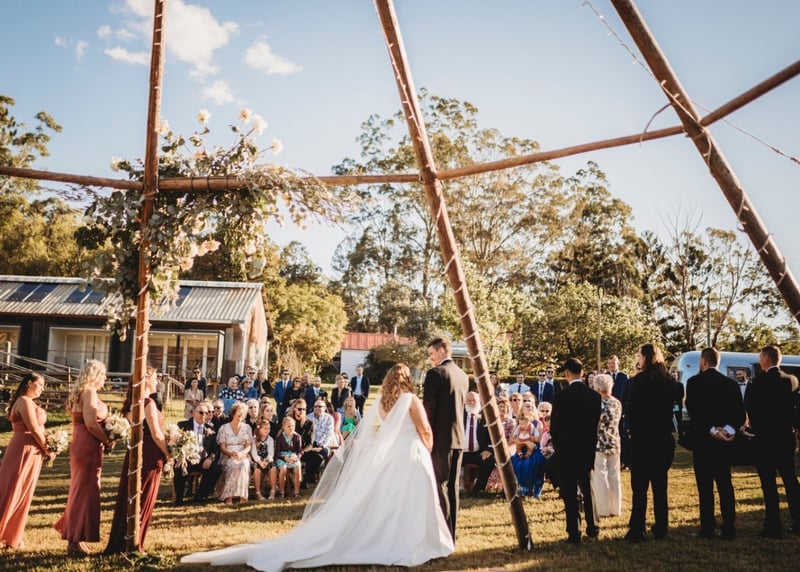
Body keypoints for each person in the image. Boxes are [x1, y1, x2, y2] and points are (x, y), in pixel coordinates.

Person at [181, 362, 454, 569]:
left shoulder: (382, 403)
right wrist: (426, 451)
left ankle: (393, 538)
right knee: (413, 499)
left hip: (392, 456)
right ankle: (413, 541)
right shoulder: (410, 399)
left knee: (393, 499)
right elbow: (425, 430)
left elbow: (381, 431)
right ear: (407, 380)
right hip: (412, 453)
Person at [105, 366, 170, 554]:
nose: (158, 381)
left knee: (132, 495)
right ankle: (134, 542)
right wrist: (168, 454)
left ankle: (122, 540)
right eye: (156, 377)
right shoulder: (147, 403)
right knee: (144, 495)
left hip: (136, 450)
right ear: (147, 379)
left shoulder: (134, 401)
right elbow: (156, 434)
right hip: (149, 452)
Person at [54, 359, 114, 556]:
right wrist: (107, 439)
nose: (105, 378)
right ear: (95, 374)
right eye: (103, 374)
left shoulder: (81, 392)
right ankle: (73, 540)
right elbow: (90, 423)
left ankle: (77, 537)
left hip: (83, 444)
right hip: (87, 446)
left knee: (82, 490)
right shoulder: (89, 392)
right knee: (84, 492)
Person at [685, 347, 746, 540]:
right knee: (725, 485)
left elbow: (694, 412)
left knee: (705, 487)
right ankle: (729, 527)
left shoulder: (694, 382)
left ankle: (707, 528)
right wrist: (727, 430)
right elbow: (740, 413)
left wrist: (711, 430)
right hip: (724, 444)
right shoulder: (730, 384)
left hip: (703, 441)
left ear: (703, 361)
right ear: (717, 362)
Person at [744, 344, 800, 538]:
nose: (760, 360)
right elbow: (797, 411)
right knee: (790, 480)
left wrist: (755, 429)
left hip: (765, 439)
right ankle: (798, 520)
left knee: (768, 483)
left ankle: (773, 525)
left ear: (767, 359)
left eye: (761, 357)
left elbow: (750, 408)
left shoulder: (757, 382)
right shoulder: (792, 381)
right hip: (785, 437)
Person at [625, 343, 676, 543]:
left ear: (646, 357)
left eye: (639, 356)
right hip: (662, 439)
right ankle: (661, 527)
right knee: (660, 486)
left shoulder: (638, 381)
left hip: (642, 440)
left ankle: (637, 528)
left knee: (640, 488)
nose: (638, 359)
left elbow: (633, 410)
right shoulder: (669, 381)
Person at [0, 373, 55, 549]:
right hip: (23, 449)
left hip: (33, 451)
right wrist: (48, 449)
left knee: (25, 491)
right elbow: (33, 428)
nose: (42, 389)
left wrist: (51, 444)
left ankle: (13, 535)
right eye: (40, 385)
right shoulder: (24, 401)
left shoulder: (31, 403)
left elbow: (41, 429)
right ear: (29, 383)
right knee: (13, 489)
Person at [550, 357, 601, 543]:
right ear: (583, 372)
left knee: (570, 492)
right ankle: (593, 527)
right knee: (588, 488)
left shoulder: (561, 397)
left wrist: (559, 446)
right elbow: (595, 424)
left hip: (567, 450)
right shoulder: (594, 396)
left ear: (567, 374)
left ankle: (574, 532)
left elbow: (554, 428)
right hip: (587, 448)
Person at [423, 337, 468, 542]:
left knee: (440, 485)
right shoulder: (462, 375)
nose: (431, 358)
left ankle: (444, 535)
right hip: (458, 438)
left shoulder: (435, 374)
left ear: (441, 351)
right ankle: (452, 533)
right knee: (452, 487)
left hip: (440, 439)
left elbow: (429, 409)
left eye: (432, 354)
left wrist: (425, 435)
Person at [175, 403, 222, 506]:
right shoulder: (182, 426)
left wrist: (210, 458)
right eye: (201, 412)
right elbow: (176, 445)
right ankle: (179, 499)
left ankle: (200, 496)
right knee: (179, 467)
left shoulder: (211, 429)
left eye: (206, 413)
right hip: (186, 458)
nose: (204, 415)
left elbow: (215, 449)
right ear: (193, 413)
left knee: (216, 469)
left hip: (202, 460)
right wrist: (182, 457)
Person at [590, 373, 623, 518]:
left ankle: (603, 509)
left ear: (597, 388)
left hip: (599, 443)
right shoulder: (617, 403)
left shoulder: (596, 404)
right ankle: (616, 508)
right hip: (614, 441)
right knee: (614, 476)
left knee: (600, 476)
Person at [217, 402, 254, 504]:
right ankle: (229, 497)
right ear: (233, 413)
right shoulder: (224, 428)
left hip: (242, 454)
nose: (241, 414)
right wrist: (231, 453)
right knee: (233, 464)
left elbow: (248, 446)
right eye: (239, 412)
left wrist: (242, 453)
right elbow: (222, 447)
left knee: (244, 464)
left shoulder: (247, 428)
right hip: (227, 454)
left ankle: (242, 496)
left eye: (243, 413)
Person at [461, 391, 494, 497]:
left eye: (474, 400)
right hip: (461, 452)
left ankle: (478, 491)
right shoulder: (459, 415)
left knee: (489, 460)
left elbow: (492, 436)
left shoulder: (486, 416)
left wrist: (488, 450)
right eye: (469, 400)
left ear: (479, 401)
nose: (471, 403)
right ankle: (451, 489)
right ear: (465, 402)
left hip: (478, 453)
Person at [607, 355, 631, 469]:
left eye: (613, 363)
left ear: (618, 363)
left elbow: (626, 394)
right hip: (608, 411)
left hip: (620, 410)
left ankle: (624, 460)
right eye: (609, 363)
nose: (611, 365)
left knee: (622, 436)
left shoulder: (623, 376)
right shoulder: (605, 376)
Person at [274, 416, 303, 498]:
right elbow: (277, 452)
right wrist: (285, 458)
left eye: (293, 426)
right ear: (284, 426)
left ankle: (296, 492)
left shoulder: (297, 436)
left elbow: (300, 451)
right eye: (289, 426)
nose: (291, 428)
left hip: (293, 456)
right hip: (282, 457)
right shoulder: (280, 437)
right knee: (283, 468)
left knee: (297, 467)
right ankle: (282, 492)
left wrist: (296, 457)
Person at [251, 422, 277, 501]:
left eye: (269, 429)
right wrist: (260, 462)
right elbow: (254, 453)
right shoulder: (254, 439)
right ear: (259, 429)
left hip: (267, 460)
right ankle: (258, 493)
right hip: (257, 461)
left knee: (273, 468)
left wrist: (267, 461)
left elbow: (271, 453)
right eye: (265, 429)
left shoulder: (270, 439)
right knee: (257, 470)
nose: (267, 430)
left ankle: (272, 491)